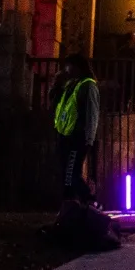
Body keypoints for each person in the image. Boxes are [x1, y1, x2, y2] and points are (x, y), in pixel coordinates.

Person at [50, 55, 100, 205]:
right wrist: (56, 84)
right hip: (65, 135)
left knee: (71, 174)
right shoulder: (71, 85)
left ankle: (90, 201)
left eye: (69, 65)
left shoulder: (88, 85)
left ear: (77, 67)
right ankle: (71, 205)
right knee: (66, 174)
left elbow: (92, 113)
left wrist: (89, 139)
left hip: (77, 138)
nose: (66, 69)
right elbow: (55, 103)